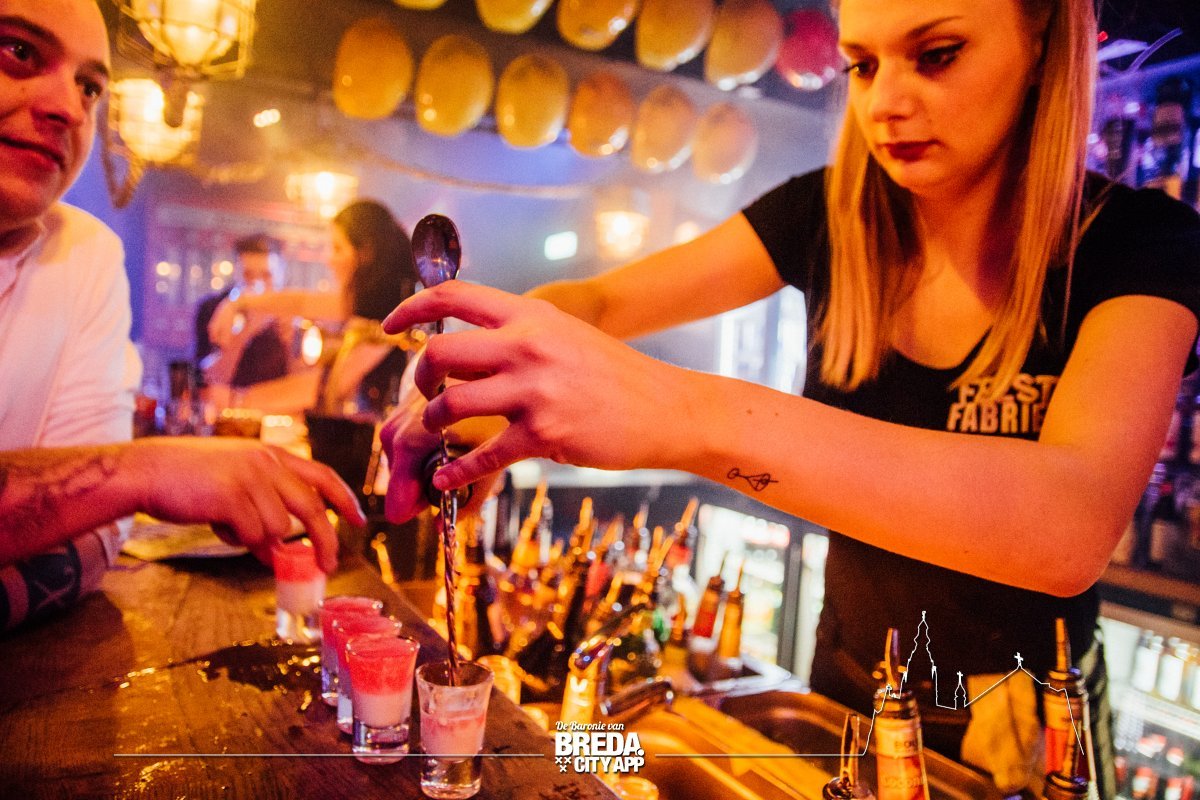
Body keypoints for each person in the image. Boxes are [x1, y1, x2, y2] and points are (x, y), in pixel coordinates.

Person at [380, 0, 1200, 794]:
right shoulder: (831, 215)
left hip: (1023, 723)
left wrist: (680, 413)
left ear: (1045, 45)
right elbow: (600, 300)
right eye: (863, 66)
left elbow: (1069, 529)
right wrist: (487, 372)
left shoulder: (1137, 245)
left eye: (937, 55)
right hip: (846, 688)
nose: (887, 103)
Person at [0, 0, 362, 632]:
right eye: (19, 51)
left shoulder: (85, 253)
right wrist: (146, 468)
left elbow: (93, 525)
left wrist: (134, 474)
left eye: (90, 87)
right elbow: (210, 378)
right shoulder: (217, 308)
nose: (71, 109)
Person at [208, 200, 417, 418]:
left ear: (365, 253)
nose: (329, 259)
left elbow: (329, 385)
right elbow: (300, 303)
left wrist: (238, 400)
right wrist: (237, 303)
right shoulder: (378, 300)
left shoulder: (392, 309)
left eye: (338, 248)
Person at [195, 233, 290, 391]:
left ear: (281, 276)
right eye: (248, 275)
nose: (258, 284)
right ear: (236, 273)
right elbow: (204, 382)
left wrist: (290, 339)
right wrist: (246, 331)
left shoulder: (288, 314)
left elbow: (305, 383)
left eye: (266, 275)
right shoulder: (213, 309)